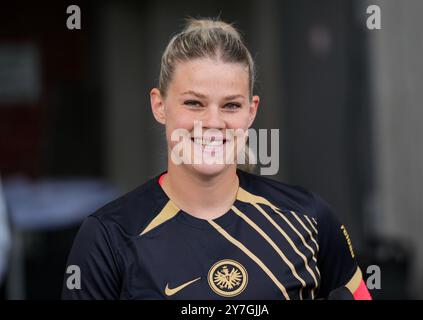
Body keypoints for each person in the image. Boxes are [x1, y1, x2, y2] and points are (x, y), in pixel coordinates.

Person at [62, 18, 371, 300]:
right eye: (194, 103)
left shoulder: (308, 218)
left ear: (251, 111)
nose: (212, 122)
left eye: (231, 106)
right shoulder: (108, 236)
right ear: (159, 105)